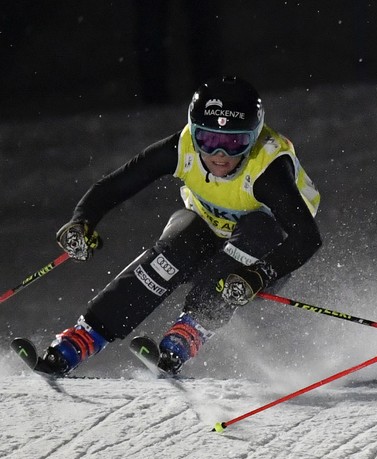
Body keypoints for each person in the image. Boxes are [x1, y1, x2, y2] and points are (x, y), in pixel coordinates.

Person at [13, 76, 322, 376]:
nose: (220, 155)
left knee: (259, 227)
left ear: (253, 138)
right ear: (194, 131)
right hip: (207, 236)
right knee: (181, 237)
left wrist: (261, 274)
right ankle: (82, 339)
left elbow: (307, 238)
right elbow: (115, 185)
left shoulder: (267, 169)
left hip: (262, 256)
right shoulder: (182, 147)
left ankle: (187, 334)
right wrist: (81, 222)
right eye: (209, 139)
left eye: (234, 142)